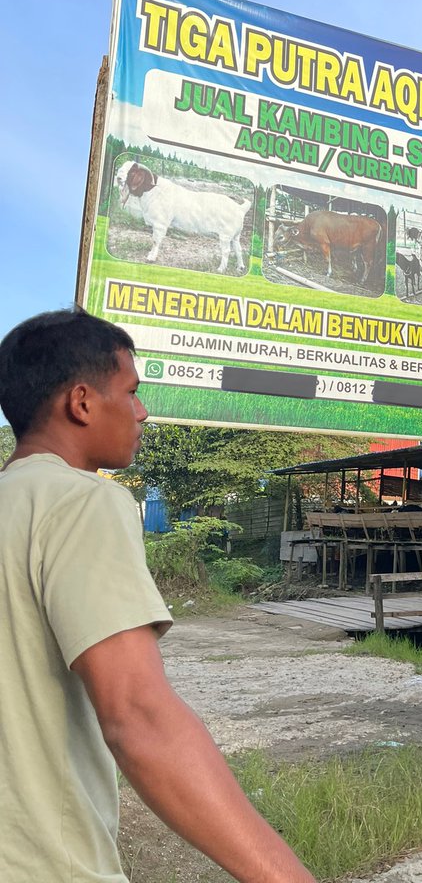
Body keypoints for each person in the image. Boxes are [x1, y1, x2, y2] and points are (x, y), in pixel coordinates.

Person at [0, 309, 317, 883]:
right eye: (132, 391)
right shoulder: (81, 502)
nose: (143, 411)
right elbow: (138, 715)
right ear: (82, 402)